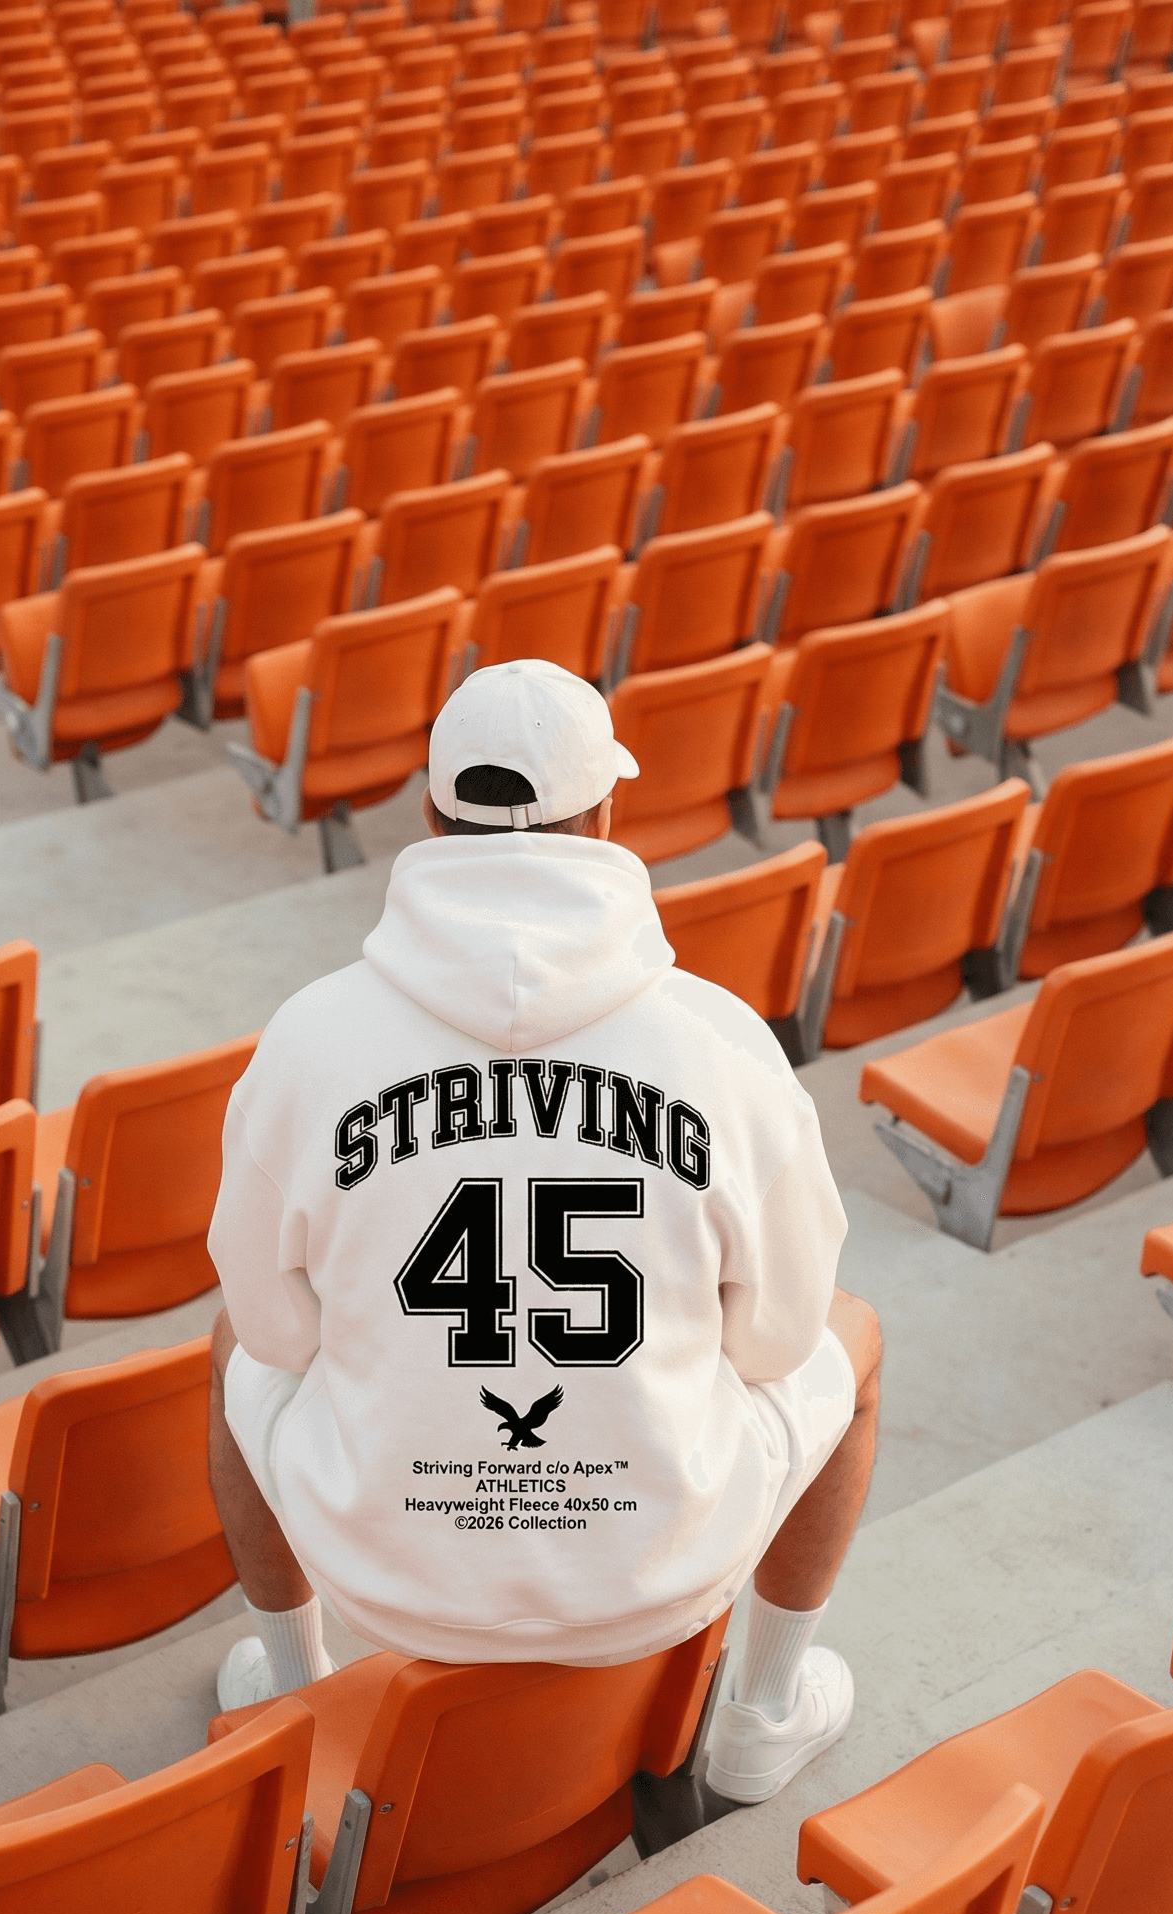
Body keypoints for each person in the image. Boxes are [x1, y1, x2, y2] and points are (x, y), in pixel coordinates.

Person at [204, 658, 881, 1803]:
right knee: (852, 1339)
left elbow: (275, 1331)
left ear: (431, 818)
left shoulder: (310, 1037)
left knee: (231, 1341)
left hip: (385, 1573)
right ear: (605, 816)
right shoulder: (719, 1041)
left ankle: (295, 1686)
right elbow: (777, 1337)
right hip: (660, 1570)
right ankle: (760, 1715)